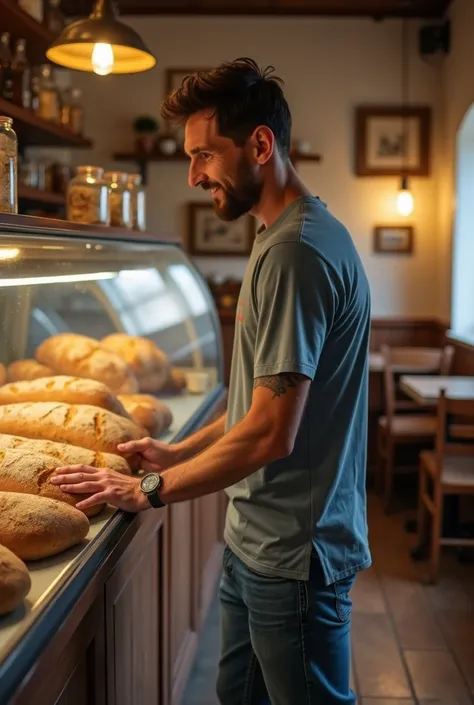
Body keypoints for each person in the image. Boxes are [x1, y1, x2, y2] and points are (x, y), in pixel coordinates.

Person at [52, 57, 372, 705]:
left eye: (204, 155)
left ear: (260, 144)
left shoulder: (295, 252)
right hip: (256, 542)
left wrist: (150, 485)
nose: (195, 175)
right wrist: (176, 451)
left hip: (293, 557)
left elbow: (271, 435)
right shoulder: (280, 234)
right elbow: (261, 407)